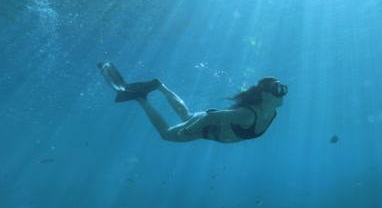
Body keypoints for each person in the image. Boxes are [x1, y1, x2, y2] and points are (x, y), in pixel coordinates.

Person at [97, 62, 287, 143]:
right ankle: (141, 98)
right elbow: (213, 116)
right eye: (278, 89)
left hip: (211, 124)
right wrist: (188, 131)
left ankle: (160, 86)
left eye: (283, 88)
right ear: (264, 95)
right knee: (166, 135)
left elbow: (213, 116)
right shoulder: (247, 115)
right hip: (207, 127)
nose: (282, 93)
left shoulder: (272, 112)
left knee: (187, 115)